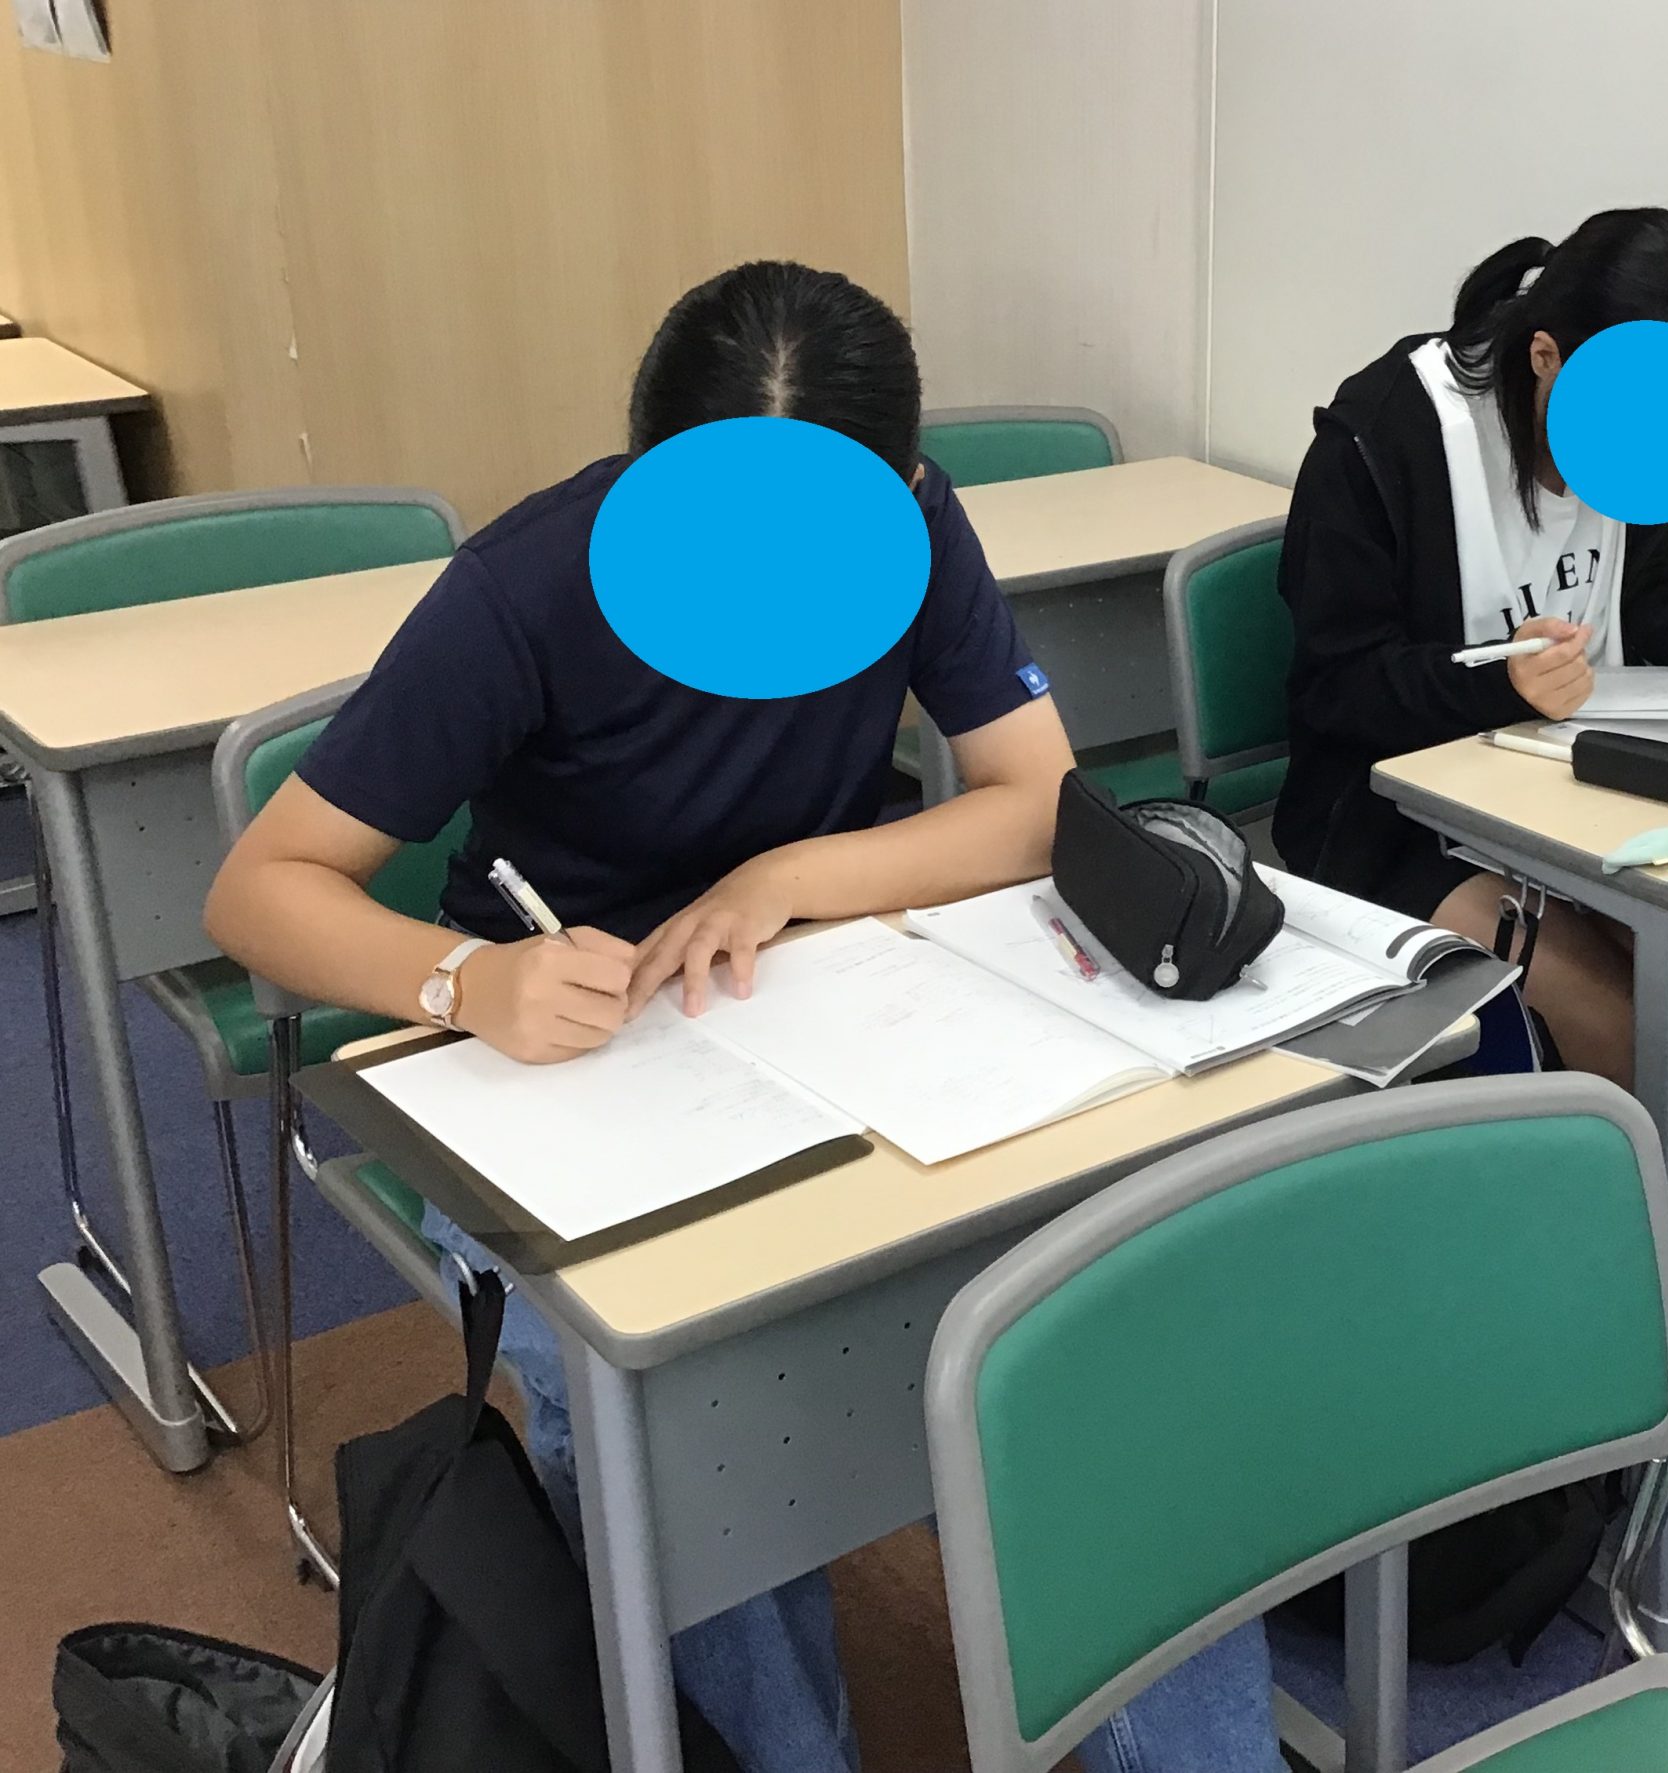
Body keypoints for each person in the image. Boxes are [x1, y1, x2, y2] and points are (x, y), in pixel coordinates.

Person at [205, 261, 1282, 1773]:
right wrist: (469, 982)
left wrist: (786, 875)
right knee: (661, 1416)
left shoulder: (911, 527)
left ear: (903, 487)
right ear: (644, 479)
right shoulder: (528, 587)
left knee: (1096, 1330)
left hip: (820, 997)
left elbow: (1035, 796)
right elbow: (260, 891)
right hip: (557, 1039)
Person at [1273, 207, 1668, 1087]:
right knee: (1620, 1022)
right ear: (1545, 356)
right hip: (1390, 819)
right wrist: (1498, 683)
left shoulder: (1640, 431)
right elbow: (1335, 683)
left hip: (1573, 799)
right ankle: (1630, 1179)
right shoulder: (1388, 430)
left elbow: (1658, 594)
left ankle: (1646, 1170)